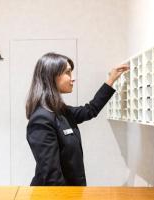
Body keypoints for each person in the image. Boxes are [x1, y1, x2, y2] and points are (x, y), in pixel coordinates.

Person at [25, 52, 129, 186]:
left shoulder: (61, 111)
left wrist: (111, 79)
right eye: (68, 72)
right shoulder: (41, 119)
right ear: (52, 76)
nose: (72, 78)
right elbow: (51, 177)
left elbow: (90, 110)